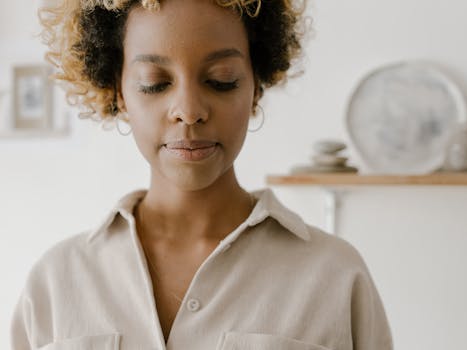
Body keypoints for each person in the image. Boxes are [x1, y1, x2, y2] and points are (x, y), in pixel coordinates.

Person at [11, 0, 393, 349]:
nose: (189, 110)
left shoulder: (336, 277)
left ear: (255, 88)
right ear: (119, 92)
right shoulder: (55, 283)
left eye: (221, 80)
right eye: (154, 83)